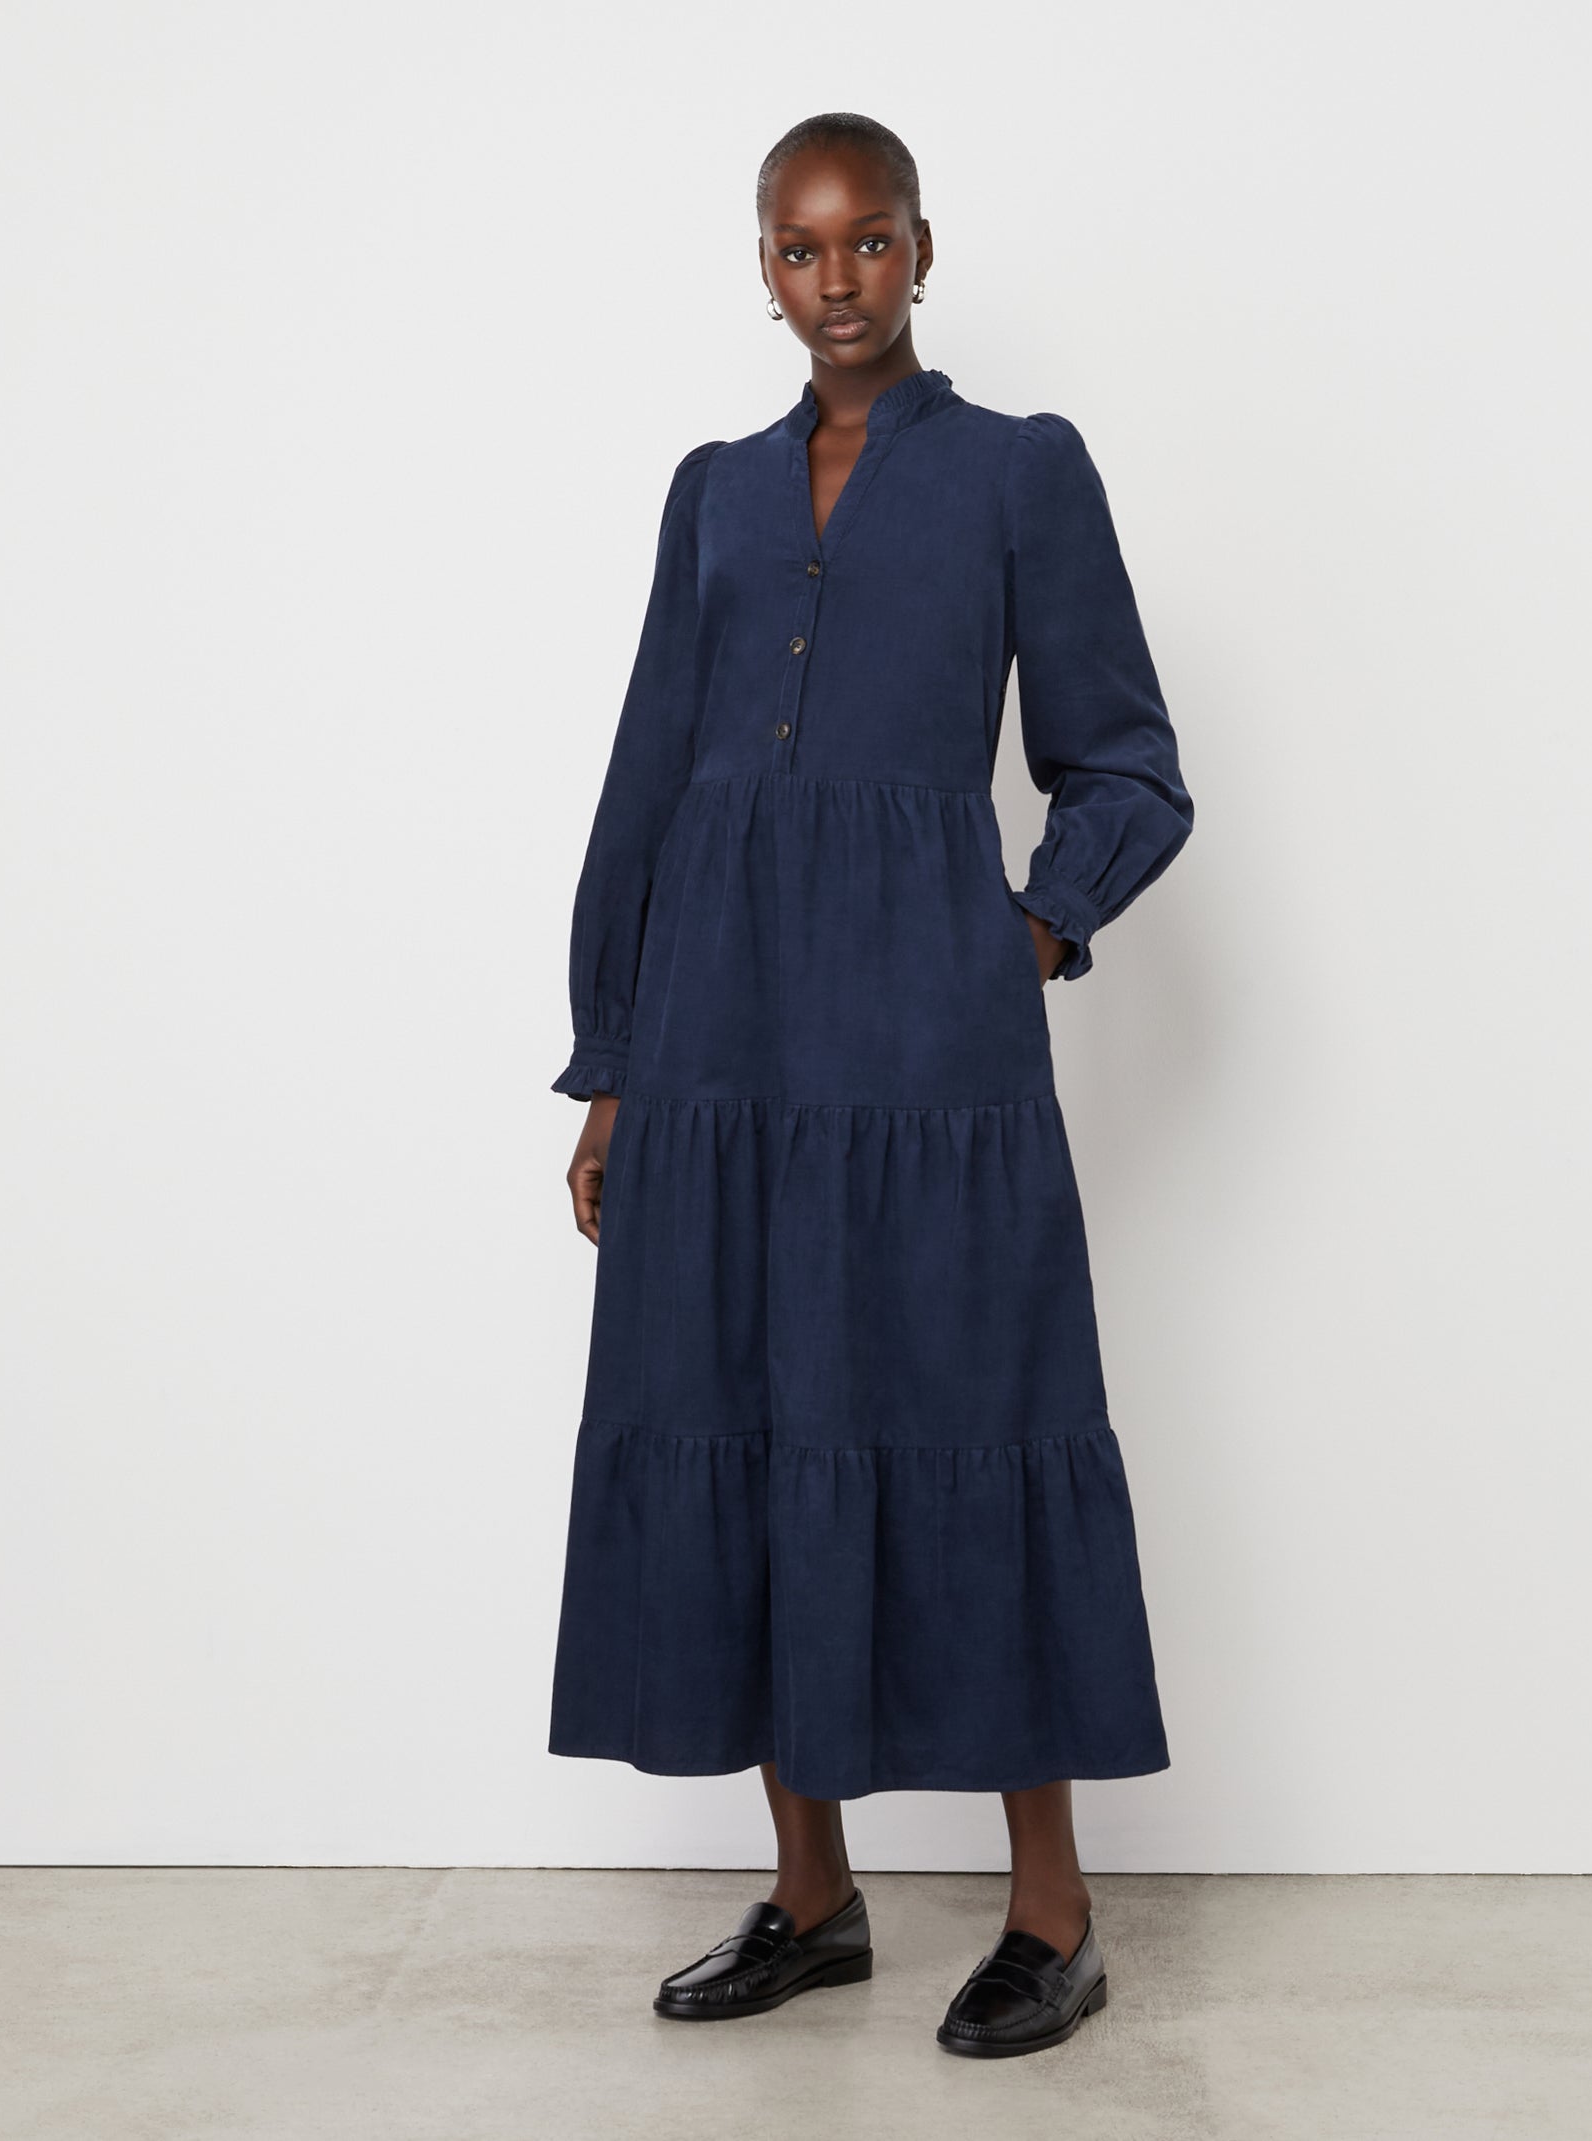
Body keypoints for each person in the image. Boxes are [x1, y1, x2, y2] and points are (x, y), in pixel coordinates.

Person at [547, 111, 1194, 2059]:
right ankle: (812, 1899)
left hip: (932, 1065)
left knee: (974, 1423)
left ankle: (1053, 1918)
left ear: (922, 251)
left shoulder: (1016, 474)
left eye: (871, 243)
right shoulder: (715, 496)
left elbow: (1128, 763)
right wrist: (614, 1070)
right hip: (724, 1050)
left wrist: (1023, 929)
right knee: (744, 1418)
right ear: (763, 264)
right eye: (800, 248)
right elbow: (652, 783)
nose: (837, 281)